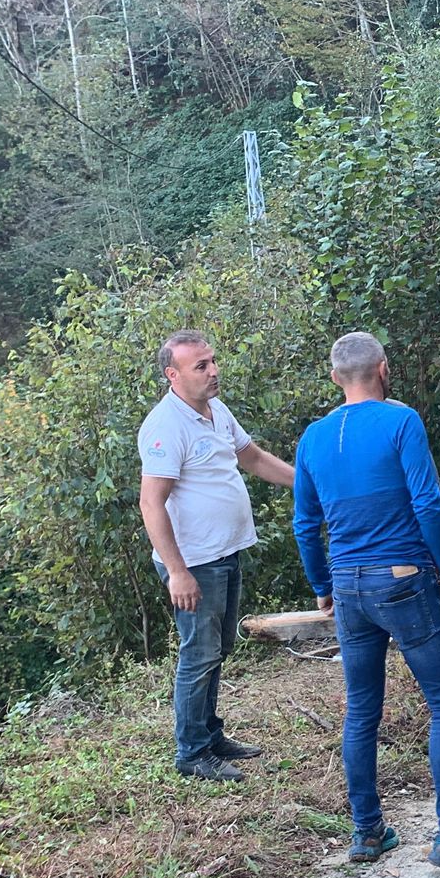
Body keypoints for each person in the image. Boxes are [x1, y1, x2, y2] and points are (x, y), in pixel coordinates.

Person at [291, 331, 440, 869]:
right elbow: (429, 504)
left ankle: (367, 832)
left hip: (348, 586)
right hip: (403, 578)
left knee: (362, 707)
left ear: (334, 378)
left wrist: (323, 585)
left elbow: (305, 524)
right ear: (384, 369)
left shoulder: (313, 438)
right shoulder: (401, 421)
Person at [138, 330, 295, 782]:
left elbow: (254, 458)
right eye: (200, 366)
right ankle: (191, 753)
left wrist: (308, 483)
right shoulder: (165, 426)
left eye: (212, 361)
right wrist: (177, 572)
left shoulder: (216, 410)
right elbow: (151, 504)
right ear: (173, 375)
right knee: (200, 653)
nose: (213, 370)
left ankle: (210, 735)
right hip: (194, 563)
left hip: (225, 552)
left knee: (217, 649)